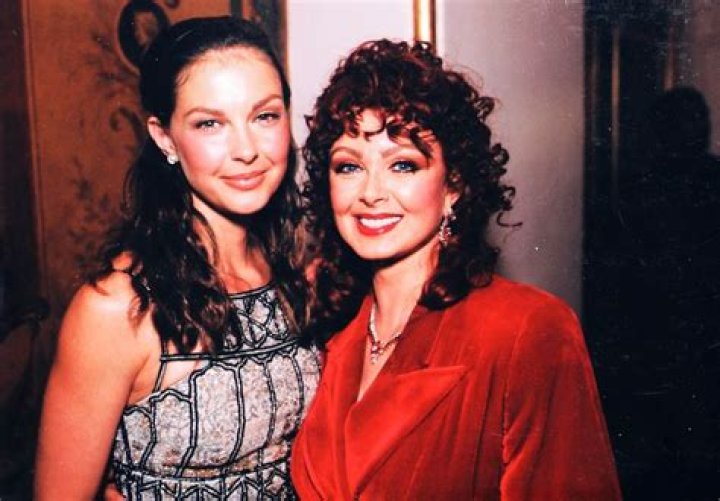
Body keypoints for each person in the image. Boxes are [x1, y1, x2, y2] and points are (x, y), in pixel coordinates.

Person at [291, 39, 621, 499]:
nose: (370, 192)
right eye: (348, 167)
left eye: (402, 165)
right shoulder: (333, 336)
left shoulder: (529, 330)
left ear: (453, 186)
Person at [35, 16, 321, 499]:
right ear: (165, 137)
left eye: (264, 116)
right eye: (210, 124)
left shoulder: (299, 271)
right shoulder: (118, 308)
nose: (246, 150)